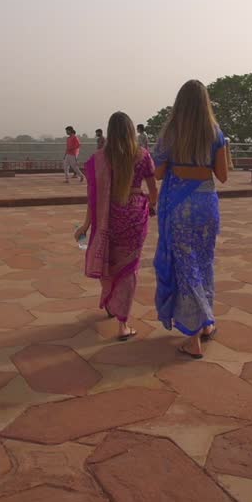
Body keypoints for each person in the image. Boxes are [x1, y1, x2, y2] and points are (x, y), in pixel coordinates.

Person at [153, 79, 230, 359]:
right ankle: (206, 322)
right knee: (204, 263)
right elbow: (223, 176)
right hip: (205, 204)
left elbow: (157, 173)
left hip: (178, 206)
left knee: (186, 268)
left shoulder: (170, 133)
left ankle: (194, 337)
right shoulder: (215, 133)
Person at [74, 112, 158, 340]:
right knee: (129, 267)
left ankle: (111, 299)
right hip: (135, 216)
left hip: (109, 215)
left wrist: (86, 225)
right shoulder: (142, 155)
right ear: (131, 131)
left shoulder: (100, 158)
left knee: (109, 261)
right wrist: (150, 206)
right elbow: (153, 191)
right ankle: (123, 323)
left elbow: (94, 198)